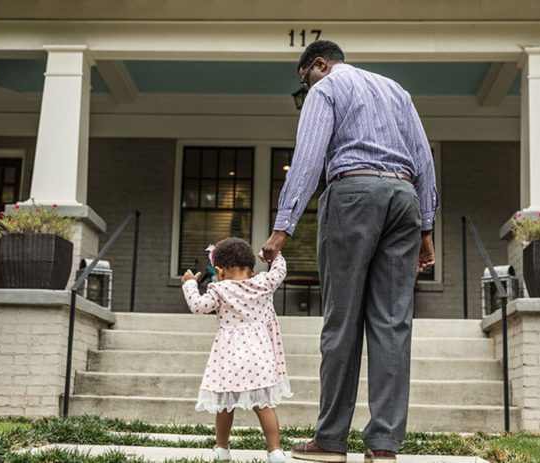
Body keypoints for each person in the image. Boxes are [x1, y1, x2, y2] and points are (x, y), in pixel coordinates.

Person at [260, 41, 438, 463]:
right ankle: (384, 445)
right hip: (403, 198)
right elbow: (424, 160)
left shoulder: (327, 89)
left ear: (320, 65)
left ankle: (331, 440)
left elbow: (308, 157)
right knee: (393, 322)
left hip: (353, 194)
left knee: (341, 319)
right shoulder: (397, 91)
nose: (307, 90)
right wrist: (426, 228)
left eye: (306, 80)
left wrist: (282, 227)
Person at [182, 237, 292, 463]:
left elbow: (198, 306)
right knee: (264, 406)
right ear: (251, 271)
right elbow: (279, 271)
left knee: (225, 406)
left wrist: (190, 284)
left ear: (219, 271)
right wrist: (273, 255)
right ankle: (275, 451)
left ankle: (222, 448)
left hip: (229, 357)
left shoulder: (220, 290)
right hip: (259, 357)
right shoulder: (263, 283)